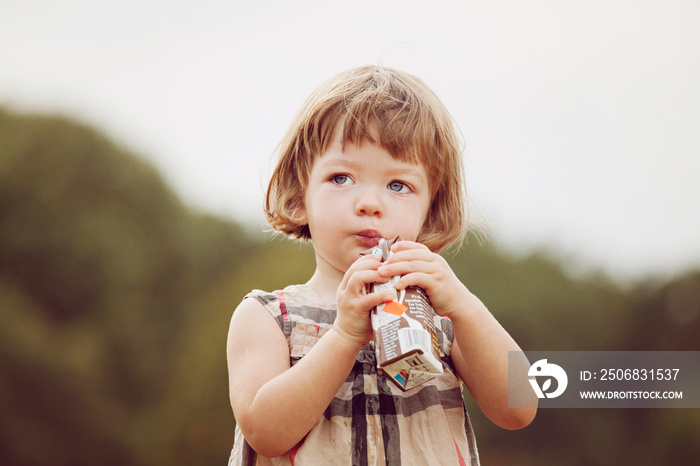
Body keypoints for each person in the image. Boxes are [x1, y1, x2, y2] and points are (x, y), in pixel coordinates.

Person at [226, 65, 537, 466]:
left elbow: (519, 407)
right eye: (341, 178)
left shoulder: (441, 318)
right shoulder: (268, 317)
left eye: (398, 186)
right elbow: (265, 433)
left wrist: (464, 305)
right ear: (300, 195)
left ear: (431, 210)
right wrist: (344, 335)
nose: (370, 203)